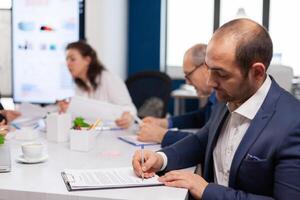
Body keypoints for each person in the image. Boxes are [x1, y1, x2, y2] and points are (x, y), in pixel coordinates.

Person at [132, 18, 300, 200]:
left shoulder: (293, 123)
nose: (211, 82)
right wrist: (160, 159)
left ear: (257, 72)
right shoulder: (227, 96)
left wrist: (206, 190)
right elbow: (201, 141)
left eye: (221, 74)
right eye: (208, 69)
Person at [138, 44, 217, 147]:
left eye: (189, 75)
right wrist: (164, 123)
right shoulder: (215, 98)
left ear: (205, 67)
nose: (187, 83)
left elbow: (209, 141)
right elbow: (199, 117)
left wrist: (162, 135)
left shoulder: (226, 99)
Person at [57, 41, 136, 128]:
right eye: (66, 59)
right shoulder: (79, 85)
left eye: (72, 59)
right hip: (93, 134)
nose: (68, 64)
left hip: (113, 134)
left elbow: (130, 108)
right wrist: (69, 109)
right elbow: (86, 115)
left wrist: (128, 116)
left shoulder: (108, 78)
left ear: (87, 60)